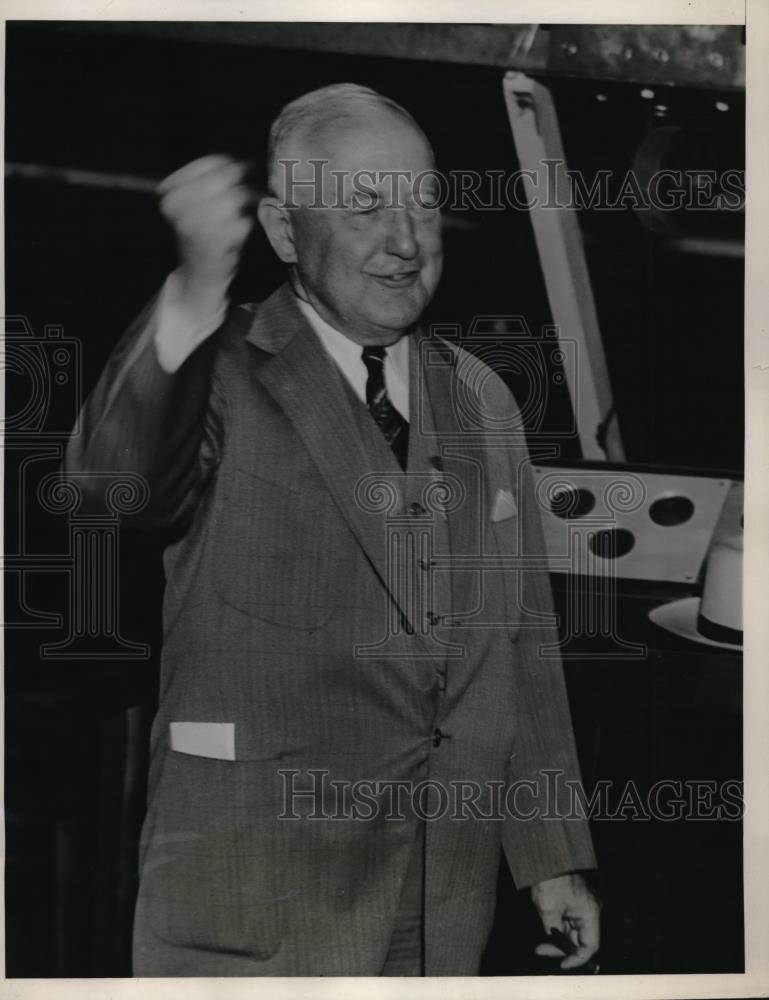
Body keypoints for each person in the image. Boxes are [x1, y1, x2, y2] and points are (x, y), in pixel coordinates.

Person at [66, 83, 600, 977]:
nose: (404, 241)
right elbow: (106, 487)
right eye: (364, 208)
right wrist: (196, 286)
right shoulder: (222, 373)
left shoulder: (483, 399)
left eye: (423, 205)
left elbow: (521, 647)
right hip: (254, 899)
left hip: (439, 906)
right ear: (282, 232)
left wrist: (550, 858)